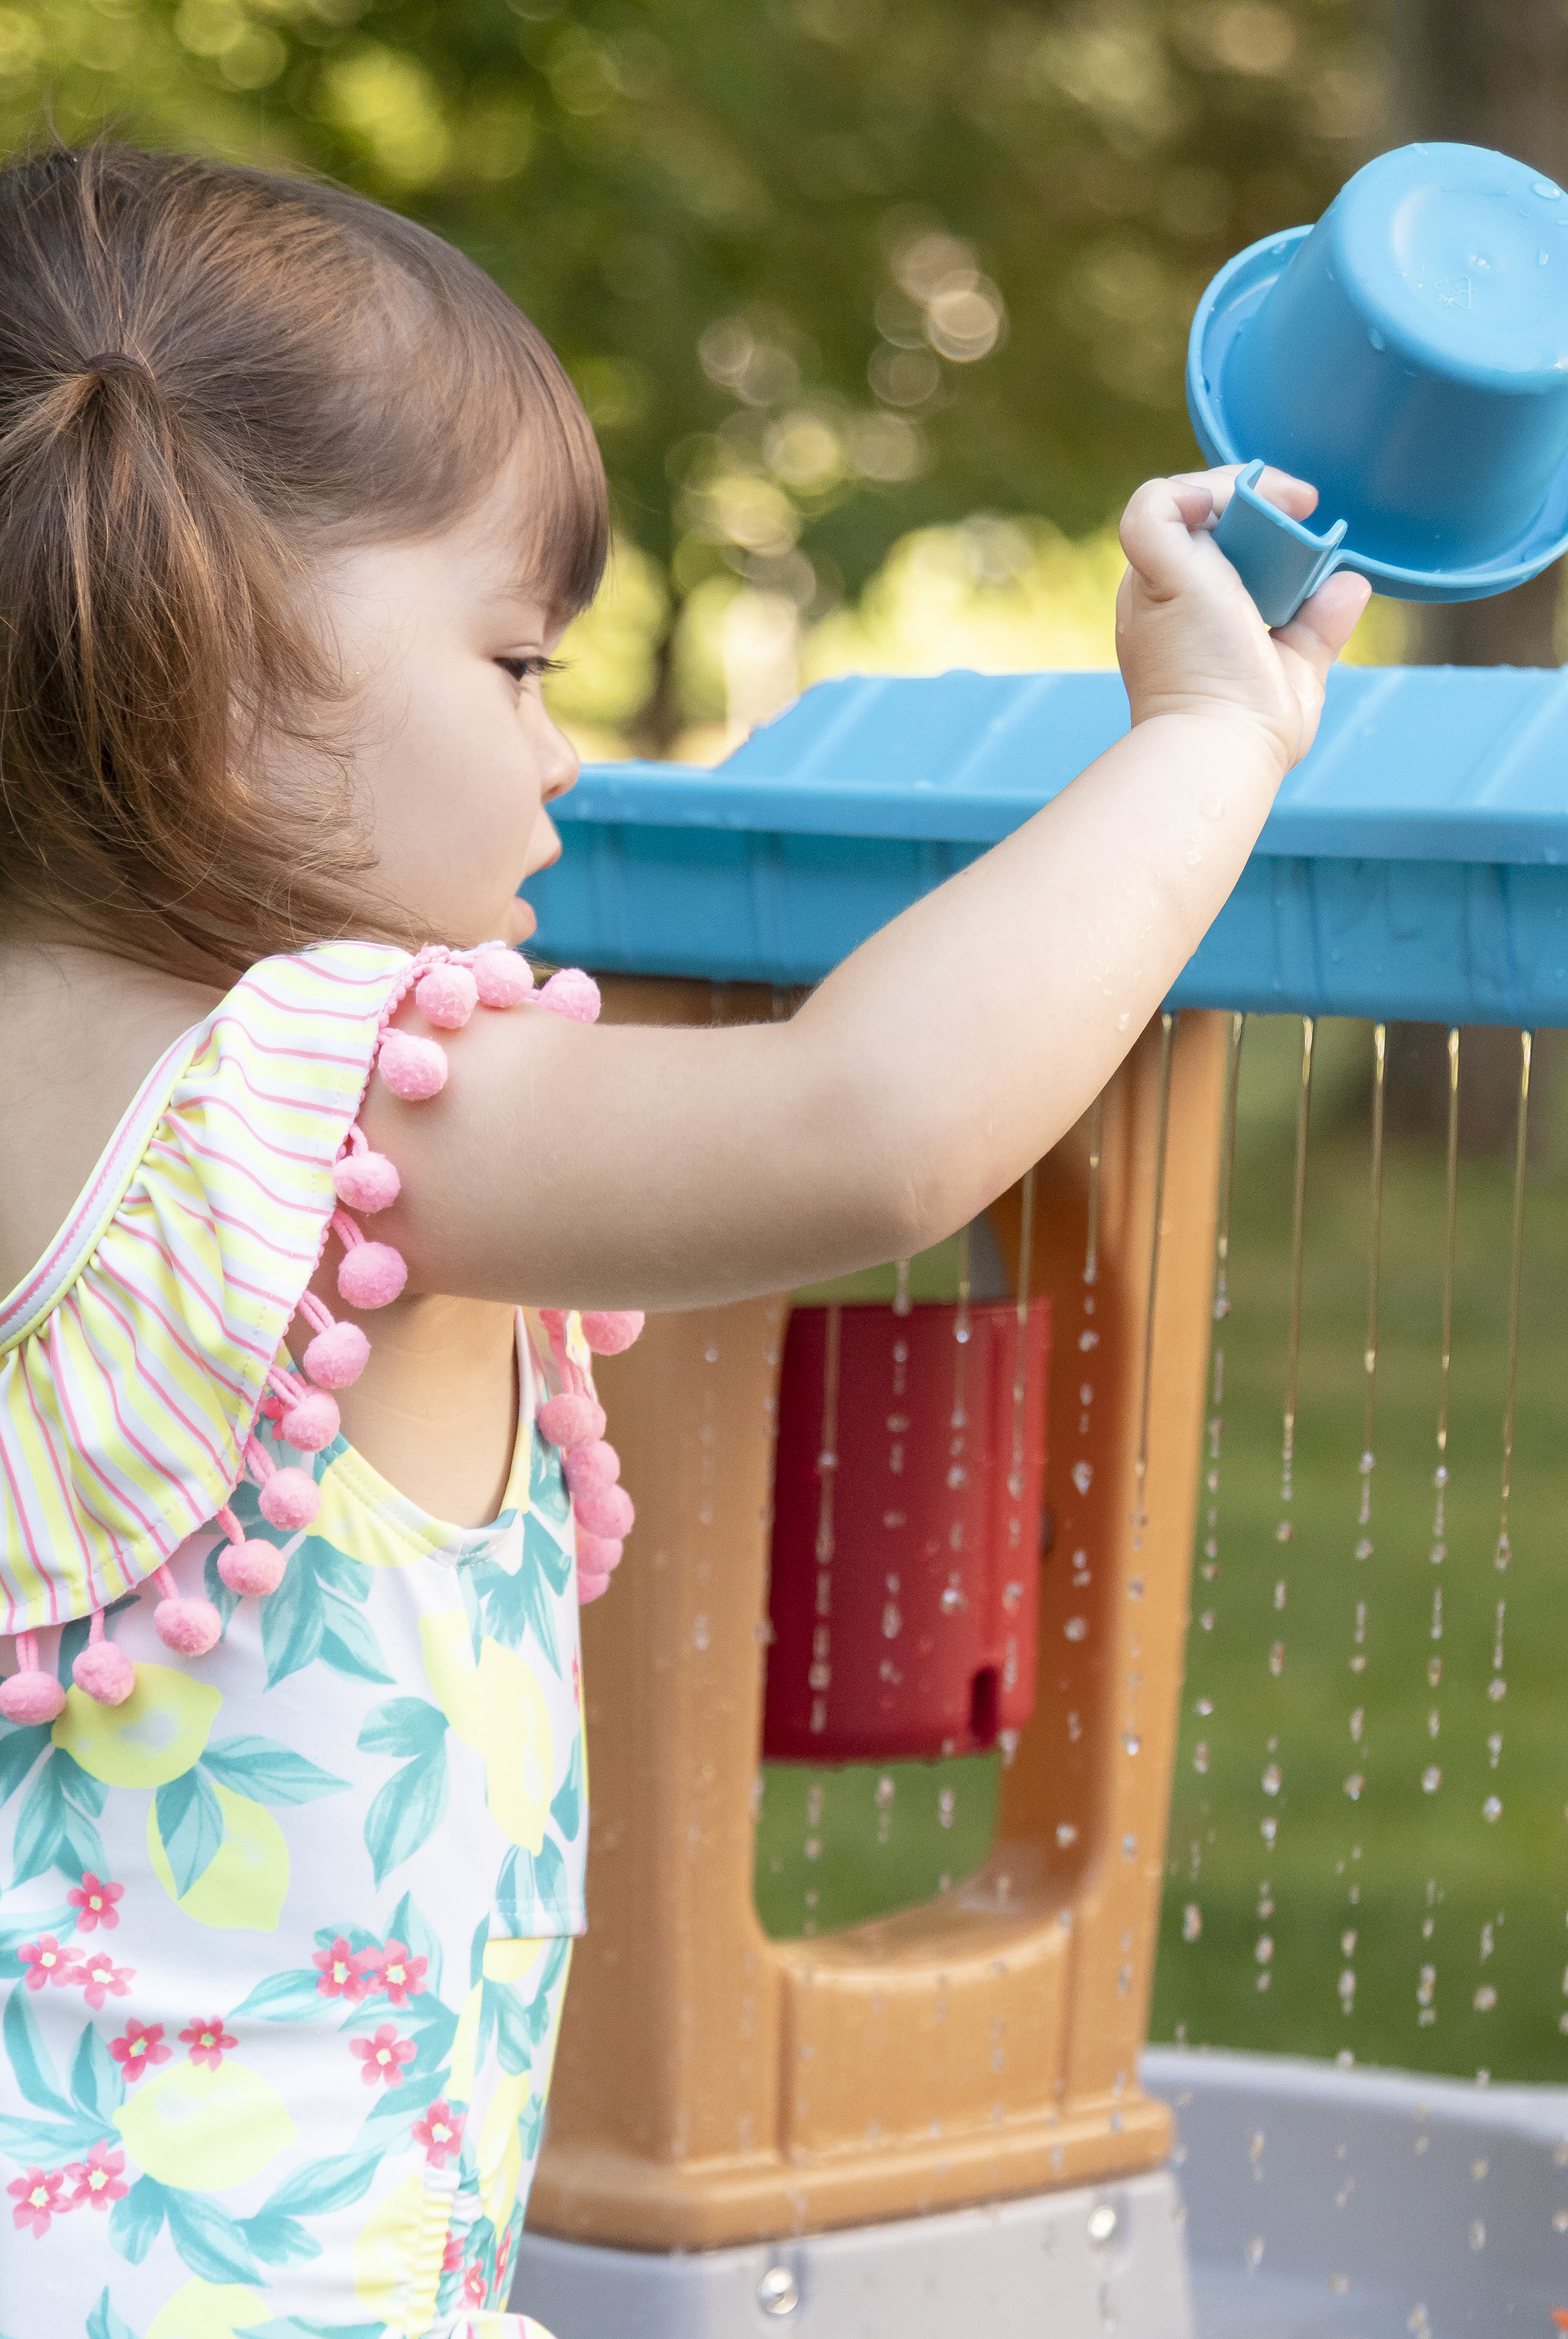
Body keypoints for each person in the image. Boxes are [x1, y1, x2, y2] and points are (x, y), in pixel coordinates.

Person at [0, 144, 1368, 2336]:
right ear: (205, 660)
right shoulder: (344, 1113)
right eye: (519, 659)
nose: (562, 753)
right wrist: (1208, 742)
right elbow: (876, 1122)